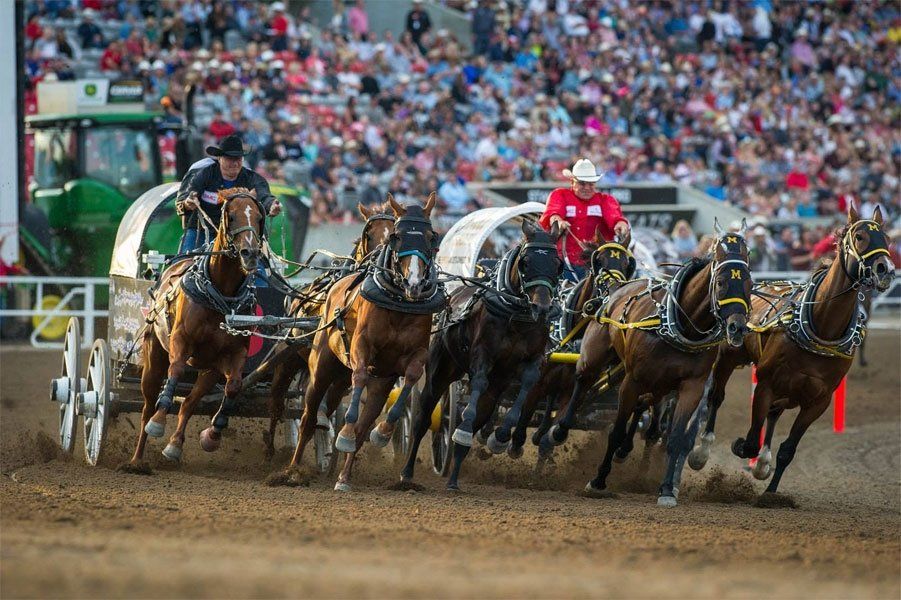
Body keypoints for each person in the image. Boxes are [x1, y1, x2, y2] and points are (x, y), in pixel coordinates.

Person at [176, 135, 281, 254]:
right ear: (219, 158)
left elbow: (264, 194)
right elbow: (186, 196)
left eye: (238, 159)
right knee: (184, 261)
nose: (235, 163)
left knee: (259, 268)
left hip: (238, 233)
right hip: (201, 230)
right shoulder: (203, 174)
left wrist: (271, 205)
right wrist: (188, 203)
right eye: (230, 158)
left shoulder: (252, 178)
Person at [538, 158, 630, 281]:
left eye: (590, 184)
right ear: (572, 182)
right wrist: (558, 221)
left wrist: (620, 224)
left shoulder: (605, 200)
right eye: (582, 183)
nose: (586, 187)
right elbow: (552, 213)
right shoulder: (560, 195)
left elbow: (615, 217)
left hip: (597, 263)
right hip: (565, 261)